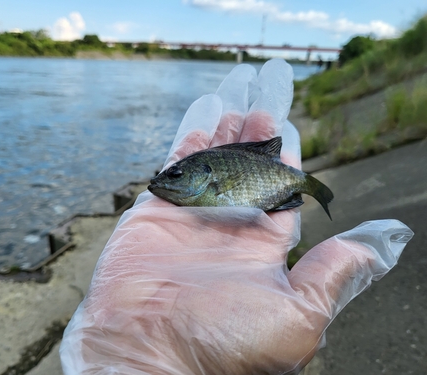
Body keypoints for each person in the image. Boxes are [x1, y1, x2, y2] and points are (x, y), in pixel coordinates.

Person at [60, 60, 413, 375]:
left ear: (203, 175)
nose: (163, 182)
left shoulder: (213, 178)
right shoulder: (194, 183)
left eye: (176, 175)